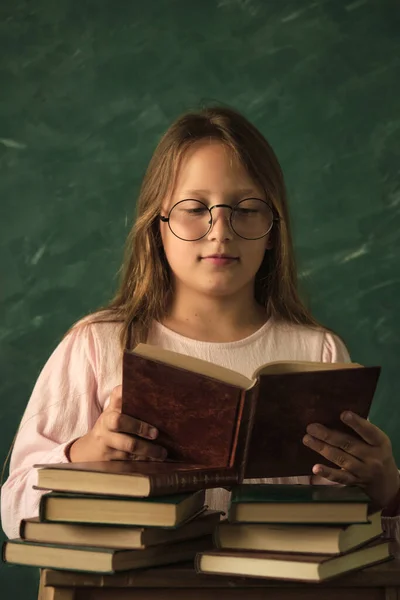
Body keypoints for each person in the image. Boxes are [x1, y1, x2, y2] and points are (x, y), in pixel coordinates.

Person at [2, 106, 399, 540]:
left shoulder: (317, 354)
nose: (221, 230)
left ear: (272, 230)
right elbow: (13, 510)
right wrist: (83, 454)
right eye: (195, 207)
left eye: (247, 209)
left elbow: (340, 533)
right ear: (158, 225)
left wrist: (386, 488)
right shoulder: (98, 345)